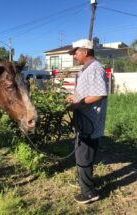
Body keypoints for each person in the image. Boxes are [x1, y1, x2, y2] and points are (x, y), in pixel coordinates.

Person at [66, 39, 108, 204]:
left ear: (85, 52)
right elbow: (88, 92)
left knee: (84, 155)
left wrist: (78, 103)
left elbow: (99, 94)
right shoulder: (86, 69)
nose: (74, 56)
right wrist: (74, 97)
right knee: (83, 154)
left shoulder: (95, 68)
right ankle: (85, 182)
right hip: (84, 121)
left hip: (90, 122)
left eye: (76, 52)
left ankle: (89, 193)